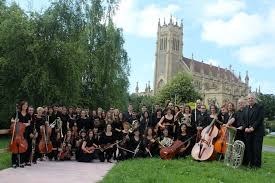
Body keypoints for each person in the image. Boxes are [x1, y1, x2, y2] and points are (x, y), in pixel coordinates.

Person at [243, 93, 264, 168]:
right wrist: (245, 127)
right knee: (249, 148)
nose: (250, 99)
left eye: (252, 98)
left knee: (257, 148)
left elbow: (259, 119)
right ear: (247, 100)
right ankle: (251, 163)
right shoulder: (246, 108)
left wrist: (253, 128)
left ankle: (257, 165)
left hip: (257, 132)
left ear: (254, 99)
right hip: (248, 131)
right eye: (249, 98)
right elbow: (244, 120)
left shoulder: (260, 107)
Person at [10, 101, 31, 168]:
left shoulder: (28, 115)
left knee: (23, 147)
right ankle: (14, 162)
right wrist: (15, 121)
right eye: (24, 105)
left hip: (24, 133)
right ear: (21, 106)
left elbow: (29, 123)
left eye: (26, 105)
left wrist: (25, 124)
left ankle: (22, 162)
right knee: (15, 147)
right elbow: (12, 120)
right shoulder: (17, 113)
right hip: (17, 133)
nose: (25, 106)